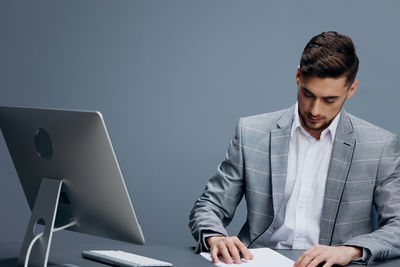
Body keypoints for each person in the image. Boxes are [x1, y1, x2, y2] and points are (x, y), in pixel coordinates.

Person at [189, 31, 400, 267]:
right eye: (307, 94)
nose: (315, 110)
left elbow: (398, 225)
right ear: (298, 75)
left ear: (351, 90)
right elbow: (209, 205)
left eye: (329, 100)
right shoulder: (252, 132)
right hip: (255, 262)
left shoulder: (380, 146)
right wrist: (215, 236)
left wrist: (349, 251)